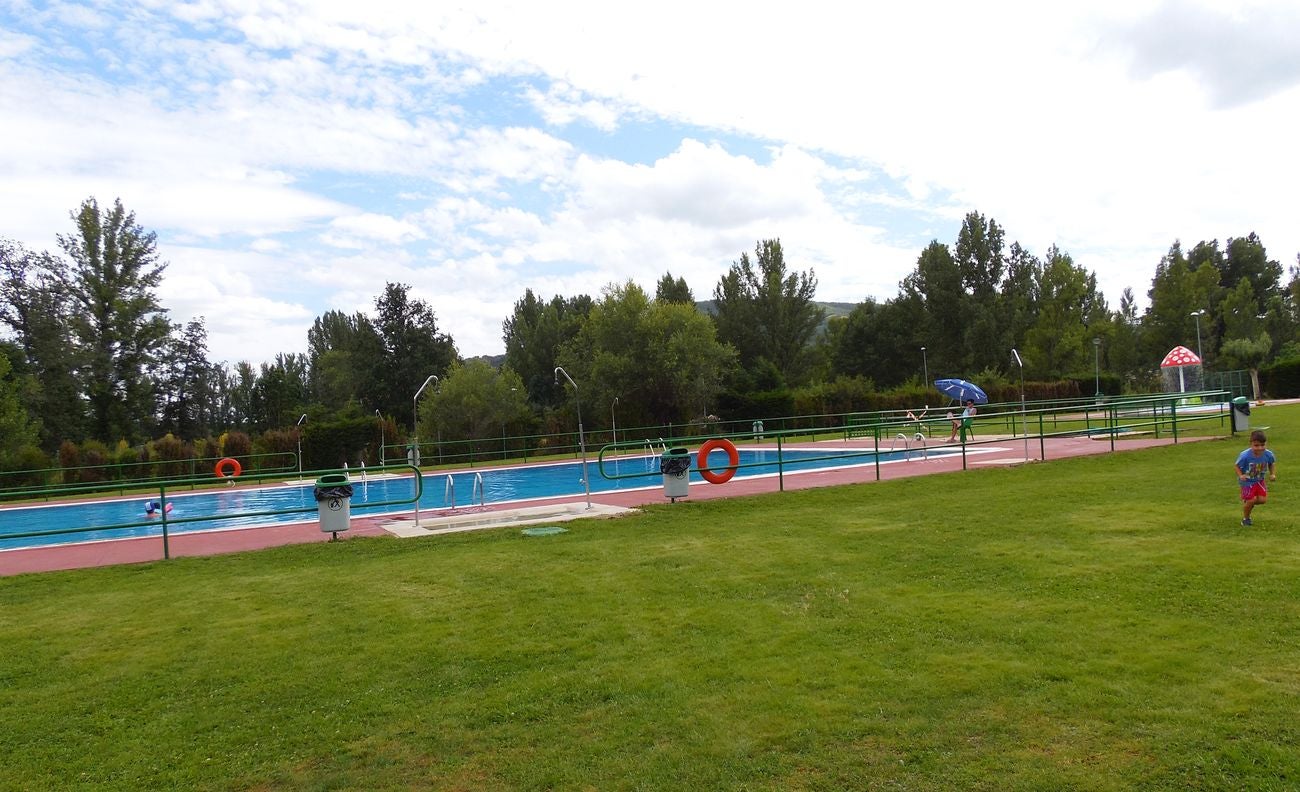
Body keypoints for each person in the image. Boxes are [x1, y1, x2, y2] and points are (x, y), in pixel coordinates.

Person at [1234, 429, 1277, 526]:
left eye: (1262, 445)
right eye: (1256, 445)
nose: (1260, 448)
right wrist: (1241, 475)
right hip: (1247, 482)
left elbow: (1271, 464)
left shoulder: (1268, 454)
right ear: (1251, 444)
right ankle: (1246, 519)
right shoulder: (1245, 455)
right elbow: (1236, 466)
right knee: (1251, 500)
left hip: (1259, 480)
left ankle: (1248, 502)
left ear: (1266, 444)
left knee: (1262, 500)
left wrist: (1272, 474)